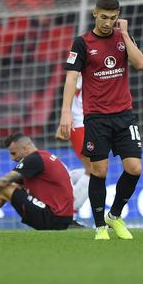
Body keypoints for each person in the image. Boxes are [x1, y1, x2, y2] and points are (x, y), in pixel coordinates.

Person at [57, 0, 143, 240]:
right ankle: (99, 227)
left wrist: (126, 35)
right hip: (96, 118)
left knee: (134, 168)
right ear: (95, 14)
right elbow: (71, 79)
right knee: (99, 171)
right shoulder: (82, 43)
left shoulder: (122, 39)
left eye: (113, 17)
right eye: (104, 17)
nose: (108, 22)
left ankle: (114, 216)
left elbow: (140, 63)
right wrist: (65, 113)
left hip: (124, 116)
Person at [56, 74, 90, 217]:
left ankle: (62, 179)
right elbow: (71, 92)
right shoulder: (82, 69)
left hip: (96, 122)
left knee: (97, 170)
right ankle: (68, 213)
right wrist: (64, 120)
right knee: (94, 171)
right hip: (80, 123)